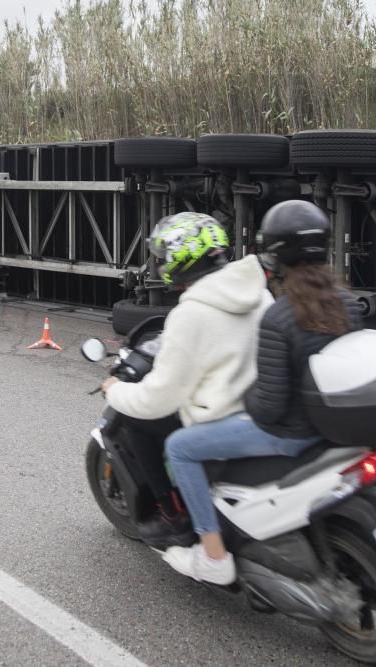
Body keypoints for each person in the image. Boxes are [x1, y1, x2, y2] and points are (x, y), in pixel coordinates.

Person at [159, 200, 362, 585]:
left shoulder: (280, 315)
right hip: (331, 425)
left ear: (275, 250)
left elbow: (267, 408)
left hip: (289, 433)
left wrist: (242, 397)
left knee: (179, 447)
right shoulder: (348, 303)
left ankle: (213, 555)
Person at [101, 211, 274, 573]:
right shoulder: (258, 291)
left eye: (165, 254)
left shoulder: (192, 312)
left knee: (138, 419)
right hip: (262, 405)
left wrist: (116, 391)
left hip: (223, 417)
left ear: (180, 257)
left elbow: (157, 398)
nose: (162, 261)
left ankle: (173, 514)